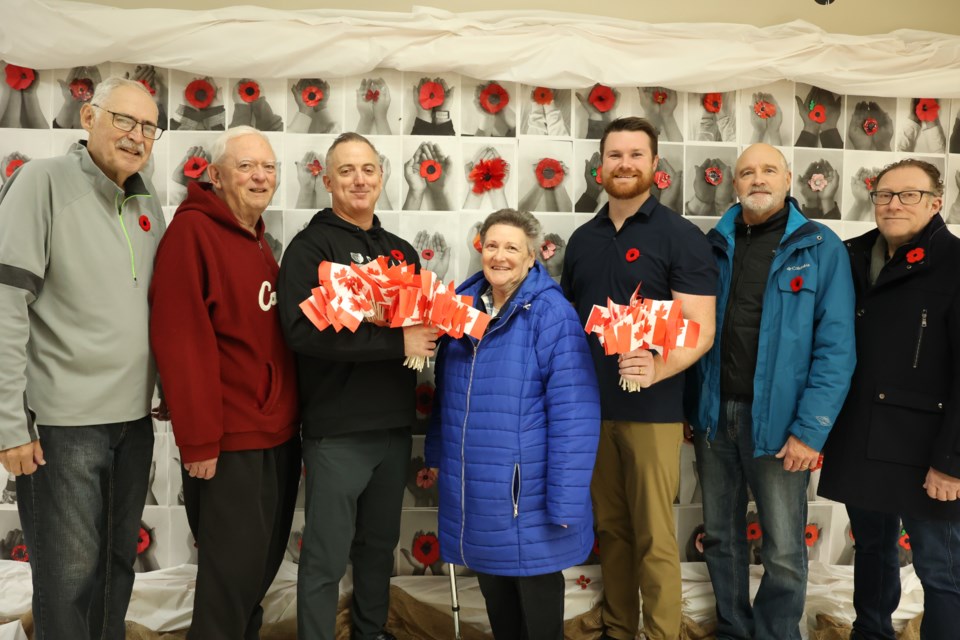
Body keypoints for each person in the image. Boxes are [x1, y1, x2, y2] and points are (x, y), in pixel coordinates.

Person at [0, 76, 165, 639]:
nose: (136, 135)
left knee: (117, 569)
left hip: (133, 423)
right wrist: (8, 424)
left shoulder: (148, 201)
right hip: (63, 427)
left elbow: (155, 306)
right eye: (124, 119)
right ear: (88, 117)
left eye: (148, 126)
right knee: (68, 578)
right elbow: (5, 305)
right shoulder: (40, 182)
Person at [688, 143, 856, 640]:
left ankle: (777, 634)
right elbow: (689, 329)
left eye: (768, 171)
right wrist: (691, 408)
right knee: (721, 538)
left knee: (783, 548)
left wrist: (810, 431)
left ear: (789, 179)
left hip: (783, 425)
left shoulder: (821, 247)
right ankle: (734, 630)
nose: (756, 179)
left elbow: (837, 349)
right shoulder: (711, 245)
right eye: (746, 173)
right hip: (716, 417)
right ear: (734, 184)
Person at [278, 131, 438, 640]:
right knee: (325, 555)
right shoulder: (309, 249)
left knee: (379, 549)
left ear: (382, 176)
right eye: (346, 170)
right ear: (327, 181)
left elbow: (416, 330)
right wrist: (396, 341)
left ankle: (369, 633)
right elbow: (302, 333)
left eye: (368, 169)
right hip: (337, 430)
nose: (359, 179)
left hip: (393, 426)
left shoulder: (402, 253)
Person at [562, 117, 717, 640]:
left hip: (653, 413)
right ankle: (619, 629)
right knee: (612, 531)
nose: (624, 164)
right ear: (599, 166)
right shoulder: (583, 239)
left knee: (654, 536)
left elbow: (701, 330)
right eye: (614, 155)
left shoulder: (681, 237)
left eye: (635, 155)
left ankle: (663, 634)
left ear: (655, 166)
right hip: (590, 411)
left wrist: (657, 366)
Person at [149, 126, 301, 640]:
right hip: (228, 440)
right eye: (246, 166)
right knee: (229, 581)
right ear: (214, 175)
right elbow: (182, 342)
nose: (260, 176)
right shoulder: (192, 234)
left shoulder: (258, 240)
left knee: (255, 577)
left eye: (269, 167)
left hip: (274, 435)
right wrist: (199, 439)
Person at [425, 208, 601, 640]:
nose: (499, 256)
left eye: (511, 248)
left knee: (538, 620)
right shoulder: (459, 311)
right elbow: (445, 394)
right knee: (500, 614)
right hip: (477, 493)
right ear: (480, 249)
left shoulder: (552, 315)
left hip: (527, 497)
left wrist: (565, 502)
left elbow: (574, 414)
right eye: (491, 245)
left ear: (530, 258)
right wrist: (434, 456)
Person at [818, 159, 960, 640]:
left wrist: (951, 461)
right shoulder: (849, 255)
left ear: (937, 202)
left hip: (927, 449)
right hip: (861, 436)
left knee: (942, 571)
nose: (894, 203)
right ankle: (870, 633)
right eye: (884, 195)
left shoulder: (956, 265)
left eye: (909, 195)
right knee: (873, 551)